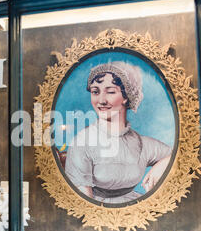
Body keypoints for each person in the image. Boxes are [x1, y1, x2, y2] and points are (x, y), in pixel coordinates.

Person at [65, 61, 172, 204]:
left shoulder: (142, 144)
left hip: (136, 209)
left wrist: (164, 164)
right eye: (95, 92)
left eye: (110, 92)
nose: (101, 100)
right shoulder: (82, 142)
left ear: (126, 96)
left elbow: (183, 153)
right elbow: (82, 202)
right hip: (95, 215)